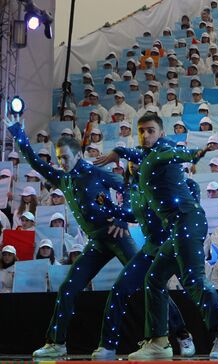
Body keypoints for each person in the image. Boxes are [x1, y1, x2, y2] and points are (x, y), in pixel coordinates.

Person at [95, 112, 218, 360]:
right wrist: (111, 206)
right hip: (172, 232)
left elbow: (172, 154)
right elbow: (135, 209)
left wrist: (195, 153)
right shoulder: (143, 170)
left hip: (185, 224)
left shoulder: (163, 151)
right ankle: (159, 342)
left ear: (161, 133)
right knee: (153, 280)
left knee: (193, 280)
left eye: (151, 130)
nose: (145, 135)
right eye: (141, 130)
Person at [4, 116, 137, 358]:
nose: (61, 162)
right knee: (67, 288)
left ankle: (179, 333)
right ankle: (57, 342)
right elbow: (34, 161)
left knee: (147, 280)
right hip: (97, 241)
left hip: (115, 234)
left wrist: (121, 217)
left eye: (65, 157)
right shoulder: (63, 178)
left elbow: (127, 189)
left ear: (77, 155)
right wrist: (17, 131)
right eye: (59, 158)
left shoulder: (96, 172)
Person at [90, 160, 197, 360]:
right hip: (150, 249)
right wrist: (109, 206)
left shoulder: (163, 180)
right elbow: (131, 214)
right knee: (120, 289)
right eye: (130, 163)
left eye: (137, 161)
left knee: (197, 289)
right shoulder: (133, 189)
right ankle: (107, 346)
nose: (133, 165)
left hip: (174, 246)